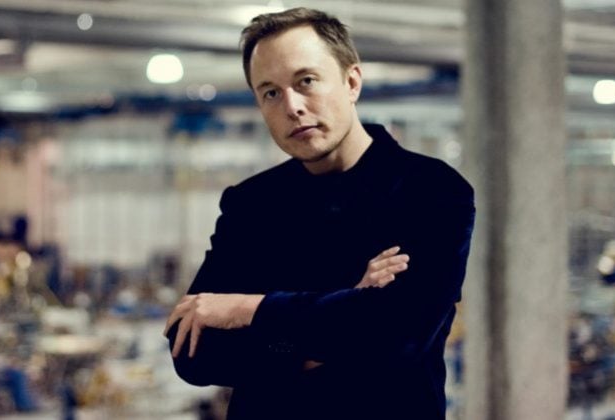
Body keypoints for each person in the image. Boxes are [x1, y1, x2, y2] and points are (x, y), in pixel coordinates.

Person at [164, 7, 475, 419]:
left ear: (352, 81)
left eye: (306, 81)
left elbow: (397, 338)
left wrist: (246, 310)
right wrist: (347, 309)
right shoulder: (252, 203)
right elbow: (193, 352)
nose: (292, 106)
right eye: (270, 93)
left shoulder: (430, 190)